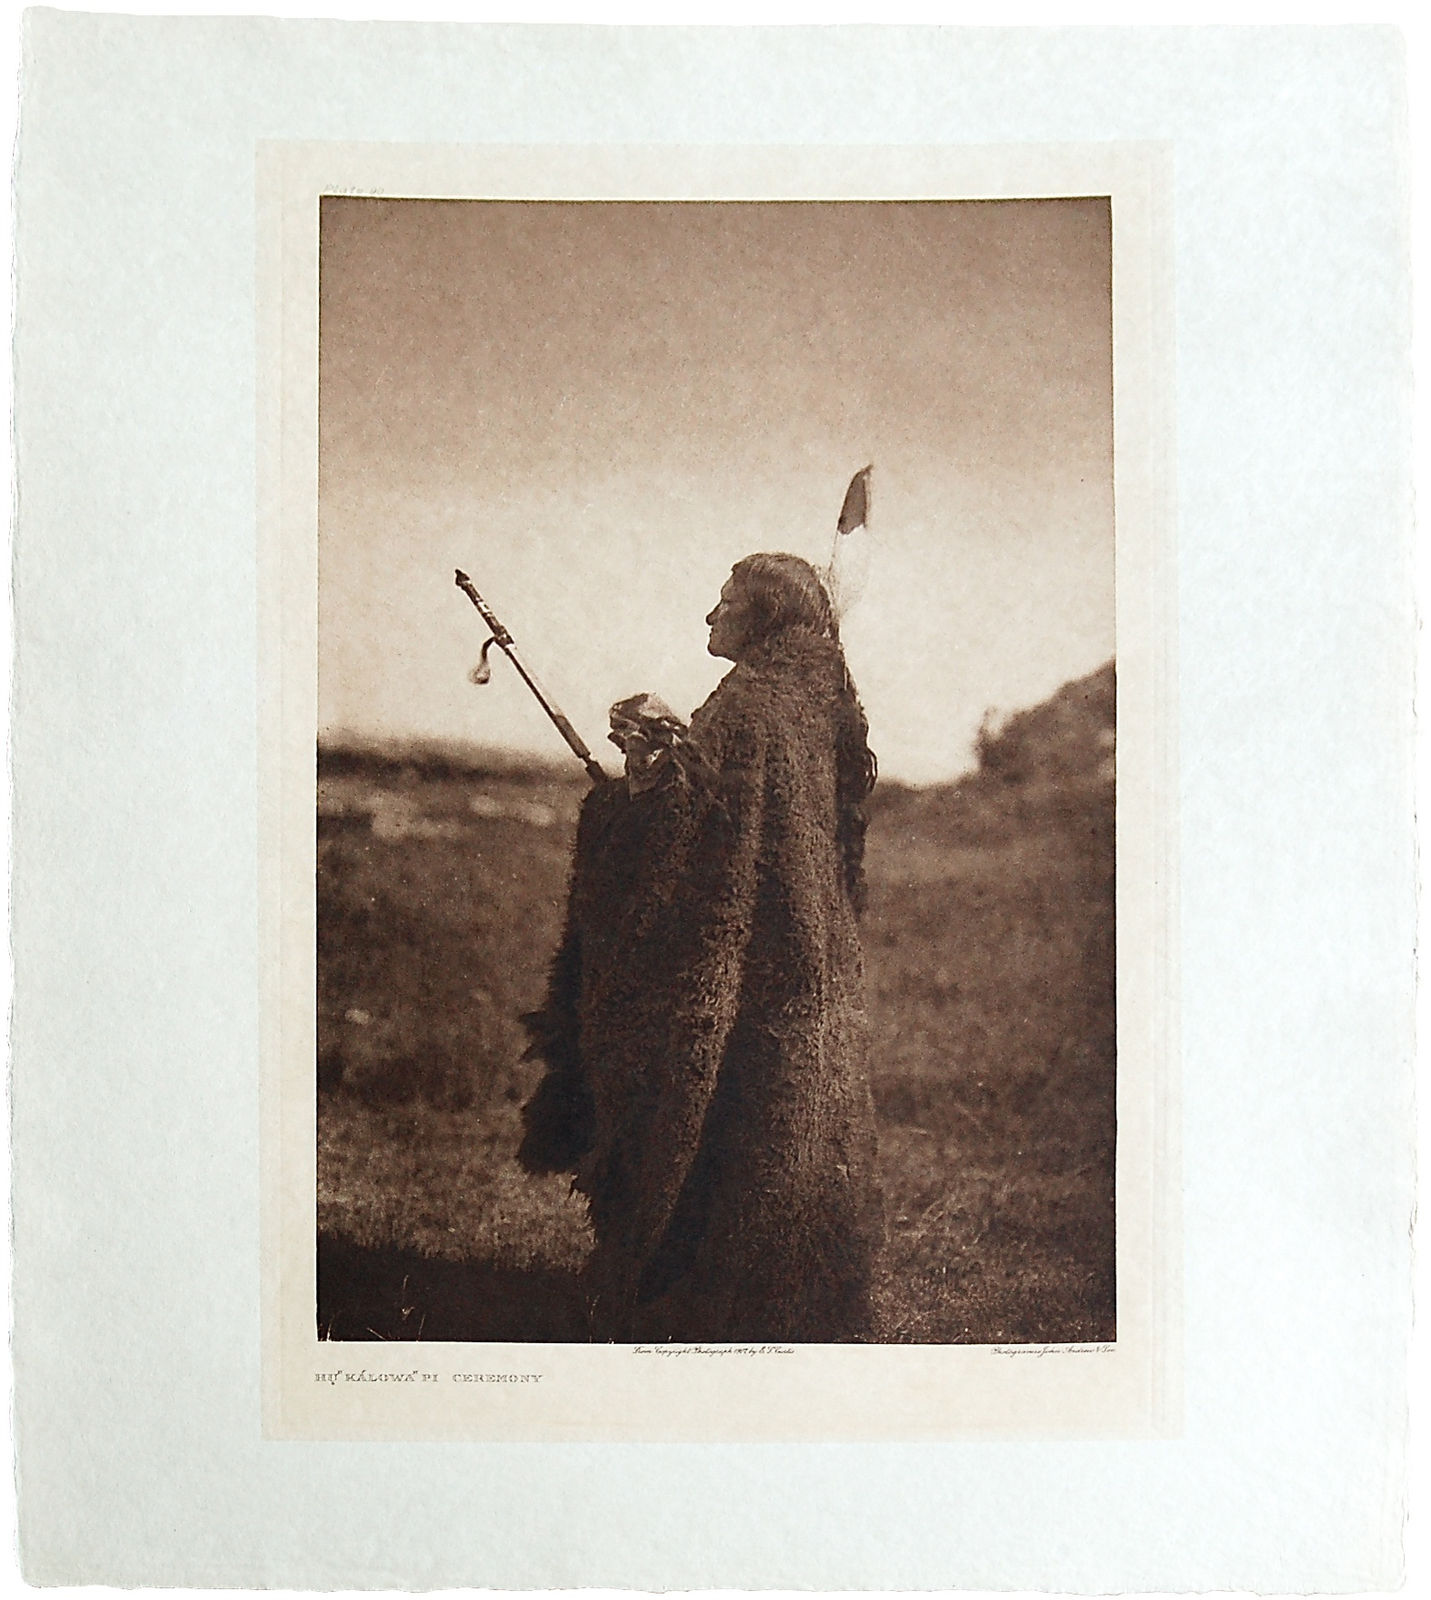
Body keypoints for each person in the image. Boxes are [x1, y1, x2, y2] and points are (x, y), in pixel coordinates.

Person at [517, 553, 883, 1342]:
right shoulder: (813, 701)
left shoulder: (751, 706)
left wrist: (624, 795)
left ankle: (688, 1298)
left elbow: (681, 839)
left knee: (718, 1115)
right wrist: (664, 758)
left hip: (744, 969)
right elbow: (728, 815)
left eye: (723, 604)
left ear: (763, 619)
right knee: (773, 1123)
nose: (708, 617)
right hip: (800, 970)